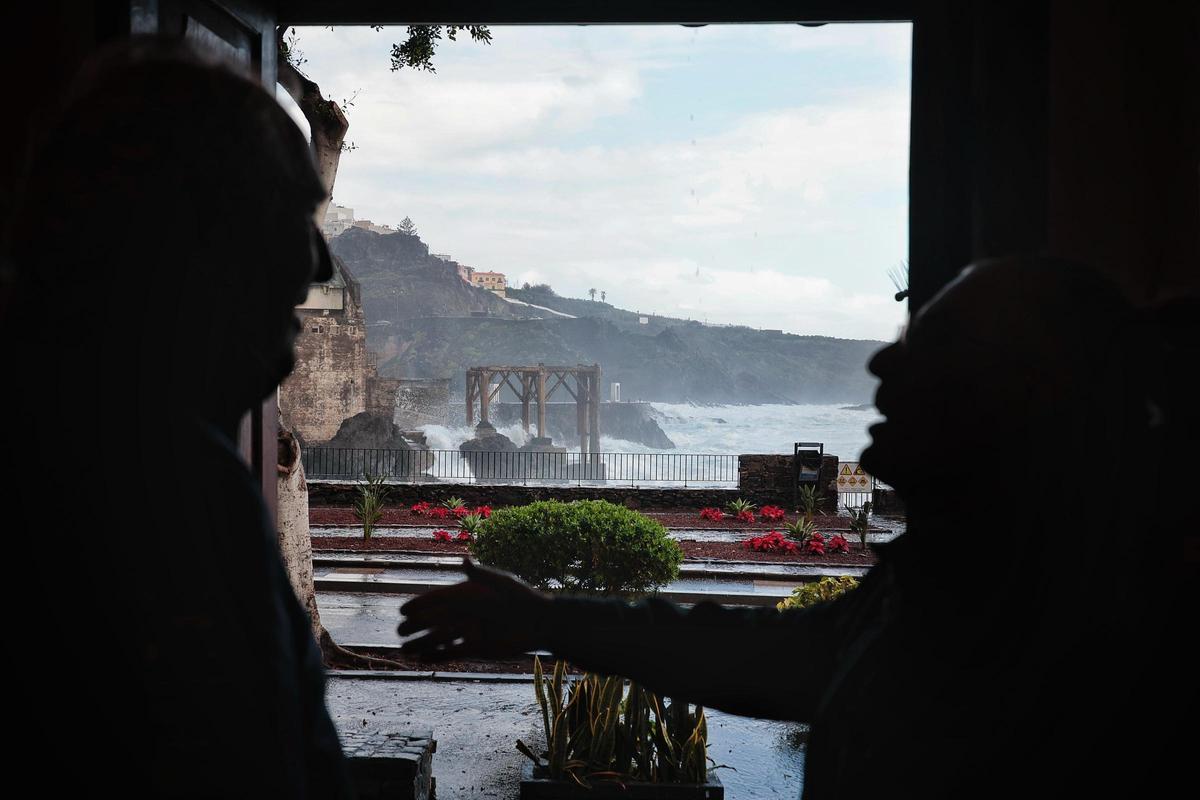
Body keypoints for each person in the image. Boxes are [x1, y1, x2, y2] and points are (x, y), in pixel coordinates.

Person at [399, 255, 1197, 798]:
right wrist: (546, 620)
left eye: (935, 345)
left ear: (1034, 392)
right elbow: (780, 653)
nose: (882, 365)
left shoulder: (1086, 618)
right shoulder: (979, 572)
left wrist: (547, 621)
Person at [1, 42, 351, 796]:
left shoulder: (180, 471)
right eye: (292, 214)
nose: (320, 265)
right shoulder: (149, 493)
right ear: (185, 236)